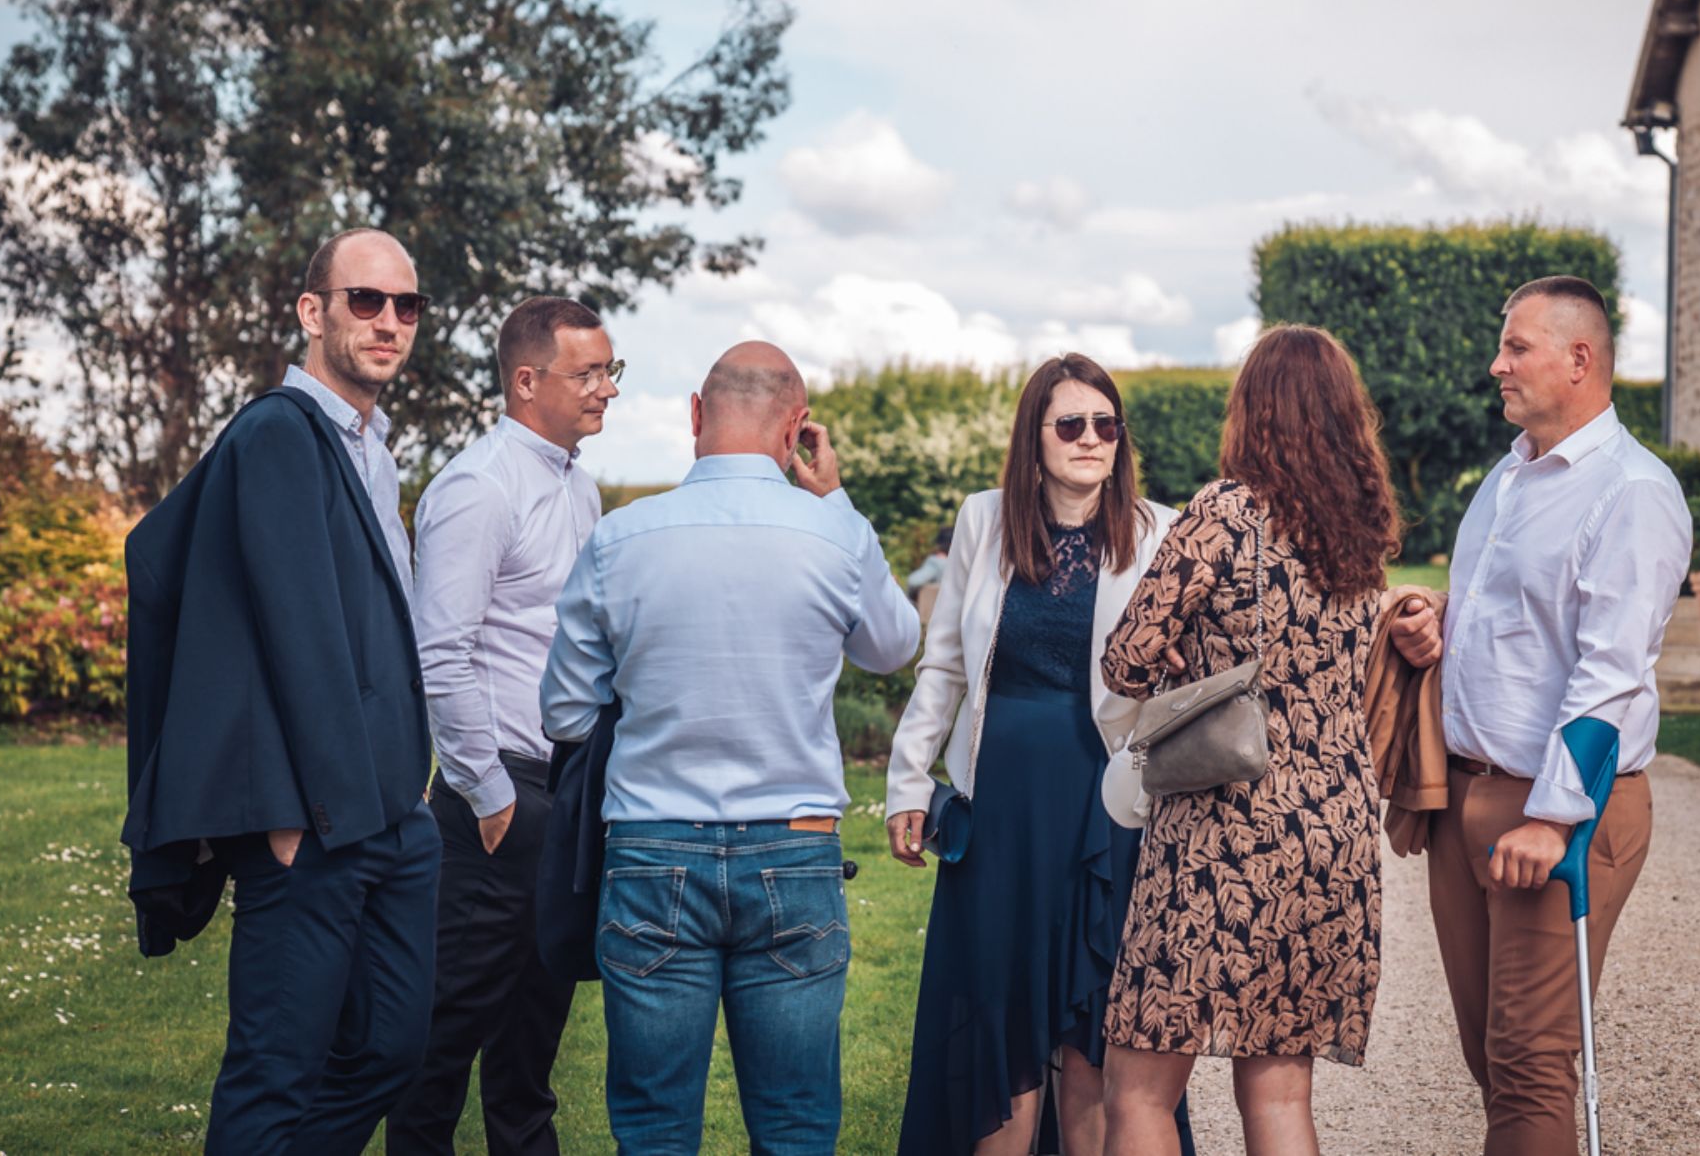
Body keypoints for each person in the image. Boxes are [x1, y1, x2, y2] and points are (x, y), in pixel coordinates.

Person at [539, 340, 920, 1155]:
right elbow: (894, 646)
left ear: (695, 415)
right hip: (795, 849)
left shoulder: (620, 537)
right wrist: (836, 497)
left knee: (653, 1128)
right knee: (795, 1124)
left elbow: (565, 713)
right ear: (797, 428)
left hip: (651, 849)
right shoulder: (835, 535)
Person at [121, 228, 439, 1154]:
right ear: (313, 311)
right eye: (365, 300)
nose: (388, 321)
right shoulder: (278, 435)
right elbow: (293, 632)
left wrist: (405, 795)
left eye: (407, 305)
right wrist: (302, 815)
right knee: (276, 1072)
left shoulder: (370, 449)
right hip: (315, 821)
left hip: (394, 816)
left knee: (389, 1050)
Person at [1386, 276, 1688, 1156]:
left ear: (1578, 359)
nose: (1497, 364)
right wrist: (1435, 626)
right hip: (1466, 804)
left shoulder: (1632, 491)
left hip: (1559, 812)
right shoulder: (1509, 474)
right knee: (1491, 1058)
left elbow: (1612, 673)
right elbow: (1517, 620)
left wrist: (1554, 819)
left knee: (1529, 1064)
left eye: (1516, 346)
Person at [1099, 325, 1402, 1156]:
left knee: (1138, 1086)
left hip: (1226, 826)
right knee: (1278, 1092)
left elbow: (1125, 659)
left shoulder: (1224, 512)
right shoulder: (1360, 531)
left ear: (1252, 409)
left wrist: (1176, 651)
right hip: (1333, 831)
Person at [885, 354, 1185, 1156]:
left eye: (1106, 424)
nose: (1091, 438)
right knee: (1004, 1018)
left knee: (1094, 1033)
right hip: (1002, 806)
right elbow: (945, 664)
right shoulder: (984, 519)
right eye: (1071, 423)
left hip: (1108, 805)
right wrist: (907, 781)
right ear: (1035, 437)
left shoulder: (1159, 529)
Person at [387, 298, 621, 1154]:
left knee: (531, 1047)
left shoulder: (580, 484)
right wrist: (490, 796)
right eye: (587, 373)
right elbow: (439, 651)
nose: (606, 389)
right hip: (497, 800)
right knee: (440, 1041)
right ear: (527, 381)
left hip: (565, 793)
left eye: (611, 371)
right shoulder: (477, 488)